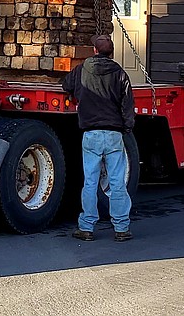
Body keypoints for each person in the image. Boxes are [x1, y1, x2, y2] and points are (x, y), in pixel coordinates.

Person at [62, 34, 136, 241]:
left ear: (94, 50)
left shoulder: (81, 70)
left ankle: (86, 227)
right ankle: (121, 228)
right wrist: (127, 127)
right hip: (114, 134)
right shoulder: (120, 73)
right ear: (111, 53)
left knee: (90, 182)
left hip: (91, 133)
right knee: (117, 183)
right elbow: (127, 104)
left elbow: (65, 86)